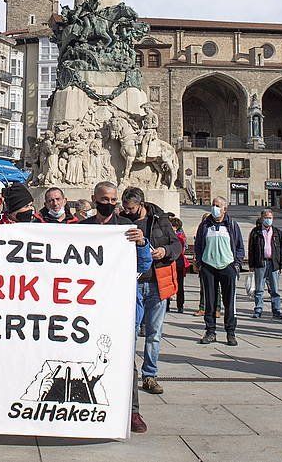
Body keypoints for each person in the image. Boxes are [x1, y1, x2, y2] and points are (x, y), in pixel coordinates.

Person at [79, 181, 150, 434]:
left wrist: (142, 244)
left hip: (118, 306)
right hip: (86, 307)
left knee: (125, 359)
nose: (108, 203)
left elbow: (144, 266)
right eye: (104, 199)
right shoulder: (82, 229)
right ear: (94, 198)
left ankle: (133, 412)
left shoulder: (126, 229)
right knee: (86, 358)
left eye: (112, 200)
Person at [120, 187, 181, 395]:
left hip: (156, 281)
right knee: (131, 331)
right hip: (132, 283)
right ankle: (127, 372)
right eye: (125, 208)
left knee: (154, 332)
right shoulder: (122, 221)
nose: (128, 211)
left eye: (132, 208)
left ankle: (149, 375)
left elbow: (177, 246)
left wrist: (165, 251)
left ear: (142, 204)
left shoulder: (159, 219)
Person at [194, 196, 244, 346]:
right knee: (210, 301)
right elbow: (198, 246)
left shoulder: (232, 225)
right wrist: (200, 263)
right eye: (213, 205)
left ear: (224, 209)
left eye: (218, 205)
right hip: (209, 267)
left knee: (229, 302)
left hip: (227, 266)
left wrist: (237, 265)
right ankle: (210, 331)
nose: (214, 208)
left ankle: (230, 332)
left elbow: (240, 247)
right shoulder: (204, 225)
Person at [248, 208, 282, 320]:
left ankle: (276, 311)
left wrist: (281, 264)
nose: (268, 220)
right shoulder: (256, 232)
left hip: (273, 263)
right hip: (261, 262)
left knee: (275, 289)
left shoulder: (277, 232)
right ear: (262, 218)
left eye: (270, 218)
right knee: (259, 289)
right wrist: (251, 264)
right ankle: (258, 309)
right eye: (266, 218)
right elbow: (251, 249)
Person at [170, 217, 190, 314]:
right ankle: (178, 306)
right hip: (178, 264)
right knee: (176, 285)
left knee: (179, 286)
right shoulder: (182, 236)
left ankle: (179, 305)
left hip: (176, 263)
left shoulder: (179, 237)